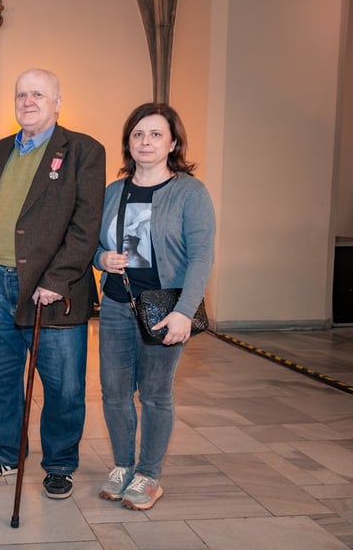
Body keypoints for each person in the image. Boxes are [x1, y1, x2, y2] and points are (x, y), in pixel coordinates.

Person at [0, 69, 105, 499]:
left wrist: (58, 279)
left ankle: (60, 463)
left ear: (58, 102)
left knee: (63, 384)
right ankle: (6, 452)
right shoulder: (1, 150)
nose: (28, 101)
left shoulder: (83, 150)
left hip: (52, 291)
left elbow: (86, 225)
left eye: (38, 94)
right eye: (21, 94)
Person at [93, 102, 215, 510]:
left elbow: (201, 256)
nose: (146, 142)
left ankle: (148, 474)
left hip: (164, 307)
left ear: (173, 142)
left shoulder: (189, 192)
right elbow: (95, 244)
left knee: (156, 395)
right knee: (113, 393)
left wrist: (184, 311)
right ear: (128, 142)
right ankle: (122, 466)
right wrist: (101, 259)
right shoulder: (114, 191)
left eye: (156, 134)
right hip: (114, 303)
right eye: (138, 134)